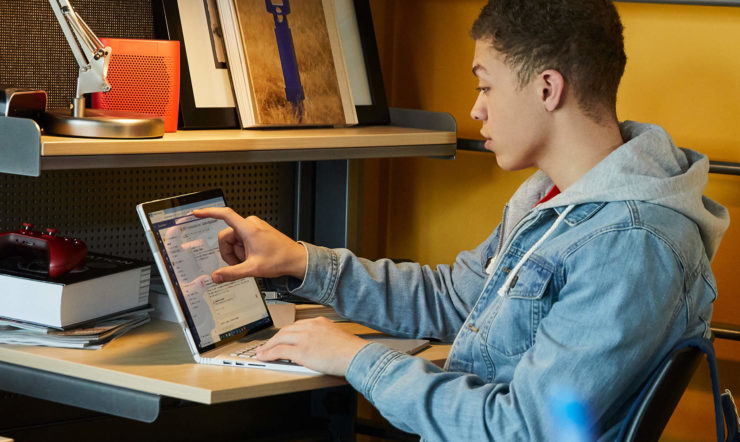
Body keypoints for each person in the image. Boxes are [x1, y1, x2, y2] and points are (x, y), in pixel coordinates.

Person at [193, 0, 730, 439]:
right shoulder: (555, 200)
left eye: (486, 85)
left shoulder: (630, 244)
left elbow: (525, 431)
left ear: (547, 88)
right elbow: (457, 300)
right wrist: (304, 261)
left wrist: (359, 360)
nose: (476, 110)